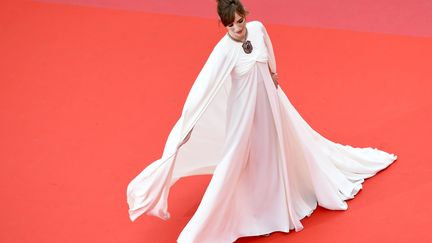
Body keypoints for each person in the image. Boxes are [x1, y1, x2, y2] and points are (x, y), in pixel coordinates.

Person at [126, 0, 398, 242]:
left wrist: (274, 72)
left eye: (240, 21)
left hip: (271, 103)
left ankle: (282, 197)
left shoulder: (257, 28)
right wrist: (189, 125)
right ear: (223, 25)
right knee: (246, 159)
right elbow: (203, 89)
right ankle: (253, 212)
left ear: (245, 15)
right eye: (231, 25)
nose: (238, 28)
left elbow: (268, 48)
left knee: (279, 148)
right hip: (244, 115)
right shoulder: (222, 52)